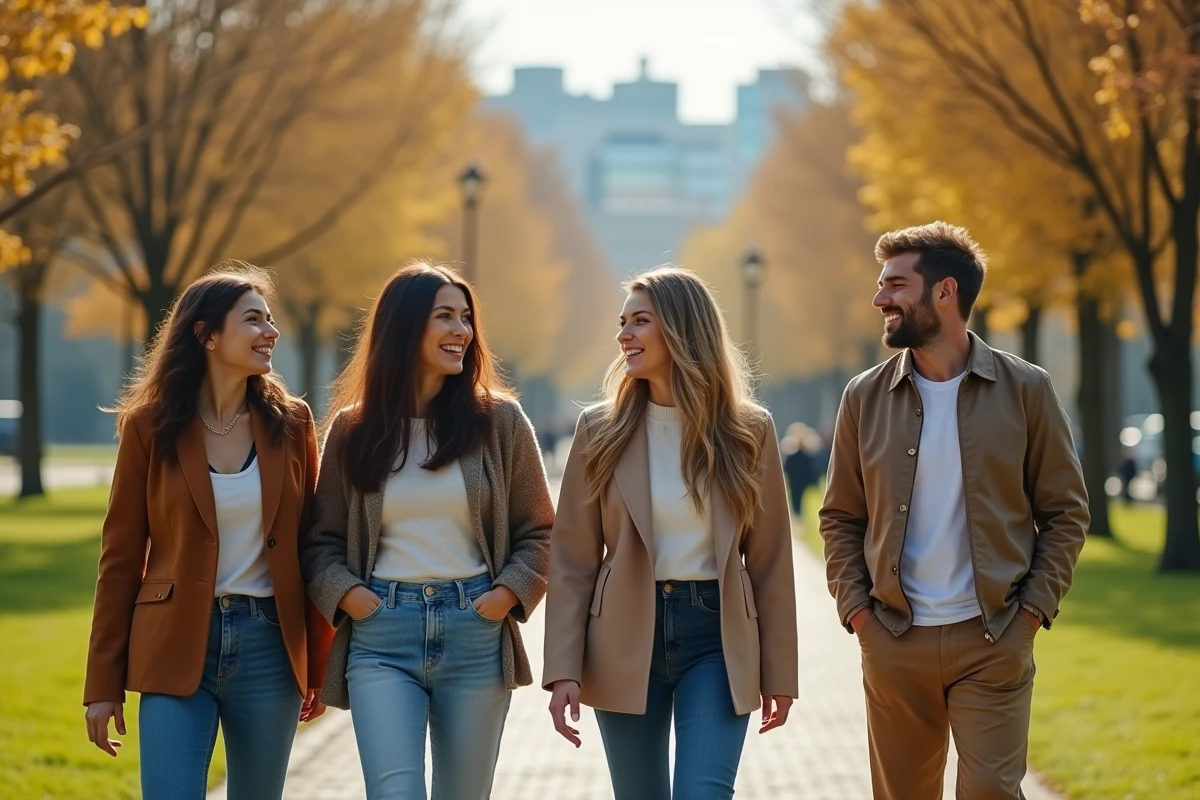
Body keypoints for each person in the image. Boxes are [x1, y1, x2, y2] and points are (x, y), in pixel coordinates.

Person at [820, 222, 1089, 799]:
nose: (879, 299)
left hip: (993, 637)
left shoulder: (1026, 389)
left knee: (991, 790)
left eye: (895, 284)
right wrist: (860, 616)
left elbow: (1066, 511)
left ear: (944, 292)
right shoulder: (863, 397)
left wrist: (1031, 615)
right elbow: (840, 516)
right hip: (894, 636)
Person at [543, 267, 798, 800]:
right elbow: (572, 559)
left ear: (683, 330)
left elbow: (770, 561)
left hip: (717, 636)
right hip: (622, 632)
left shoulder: (750, 431)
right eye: (622, 322)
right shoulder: (599, 429)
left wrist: (779, 671)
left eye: (640, 322)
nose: (623, 336)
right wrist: (562, 668)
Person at [301, 263, 553, 800]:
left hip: (475, 635)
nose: (462, 330)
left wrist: (506, 594)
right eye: (445, 316)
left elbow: (541, 531)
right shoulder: (353, 430)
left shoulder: (500, 423)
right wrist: (350, 596)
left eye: (465, 318)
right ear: (404, 327)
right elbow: (321, 541)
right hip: (380, 637)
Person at [83, 264, 333, 800]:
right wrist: (102, 686)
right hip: (175, 647)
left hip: (269, 647)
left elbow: (311, 548)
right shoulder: (149, 427)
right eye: (253, 319)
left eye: (270, 319)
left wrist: (316, 663)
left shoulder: (292, 424)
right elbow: (120, 560)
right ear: (207, 334)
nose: (271, 331)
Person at [781, 422, 818, 519]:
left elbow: (786, 468)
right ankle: (799, 515)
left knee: (796, 498)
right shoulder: (807, 456)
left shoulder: (792, 456)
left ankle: (798, 515)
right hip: (802, 481)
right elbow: (812, 470)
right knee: (800, 498)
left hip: (795, 481)